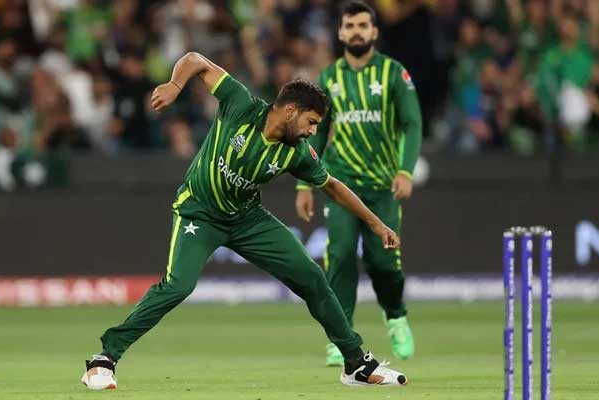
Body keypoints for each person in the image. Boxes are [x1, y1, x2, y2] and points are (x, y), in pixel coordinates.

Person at [80, 51, 408, 390]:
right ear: (291, 110)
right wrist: (176, 84)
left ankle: (356, 364)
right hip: (199, 213)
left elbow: (333, 187)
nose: (313, 131)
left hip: (247, 220)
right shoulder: (240, 103)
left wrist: (376, 224)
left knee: (311, 275)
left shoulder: (296, 152)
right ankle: (104, 359)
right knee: (178, 286)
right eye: (311, 122)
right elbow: (196, 60)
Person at [294, 1, 422, 366]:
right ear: (340, 33)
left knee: (384, 262)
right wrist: (305, 184)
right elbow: (314, 133)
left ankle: (395, 316)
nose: (356, 31)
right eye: (350, 26)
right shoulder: (330, 76)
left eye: (363, 25)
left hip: (382, 185)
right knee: (341, 253)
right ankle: (341, 336)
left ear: (374, 32)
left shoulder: (394, 74)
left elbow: (412, 124)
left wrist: (405, 170)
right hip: (341, 182)